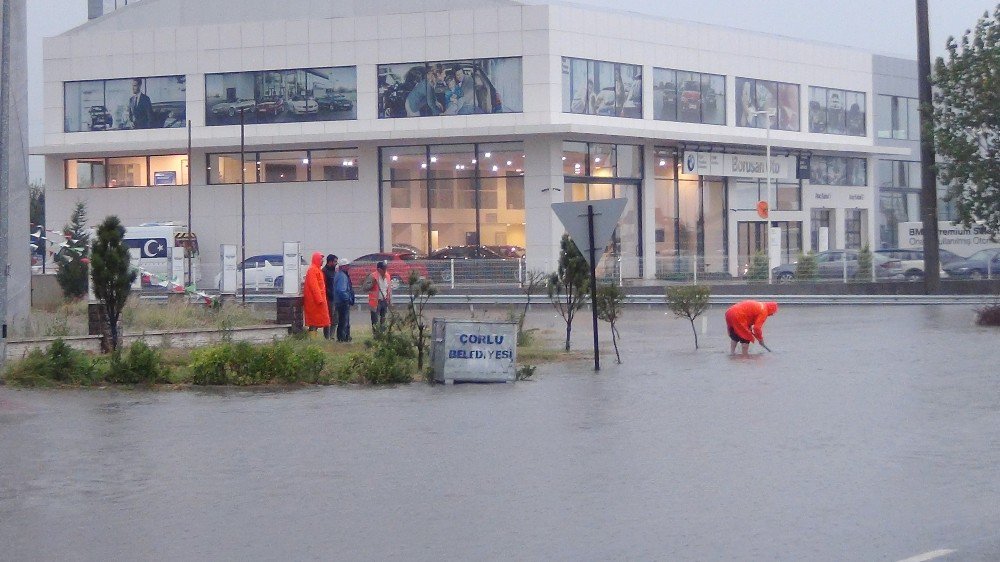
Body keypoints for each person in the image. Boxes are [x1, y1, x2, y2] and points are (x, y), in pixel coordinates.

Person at [303, 252, 331, 336]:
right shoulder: (312, 270)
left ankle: (313, 338)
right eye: (321, 259)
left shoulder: (316, 269)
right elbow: (314, 285)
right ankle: (312, 339)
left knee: (318, 321)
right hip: (315, 302)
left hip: (318, 301)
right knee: (314, 322)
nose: (322, 261)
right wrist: (319, 299)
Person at [363, 261, 392, 329]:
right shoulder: (372, 276)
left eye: (386, 269)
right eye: (384, 269)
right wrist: (372, 284)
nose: (385, 271)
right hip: (375, 302)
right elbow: (364, 288)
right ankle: (376, 335)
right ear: (379, 269)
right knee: (375, 321)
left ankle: (382, 335)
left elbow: (389, 289)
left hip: (384, 301)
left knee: (383, 320)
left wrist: (390, 300)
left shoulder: (388, 276)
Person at [333, 260, 355, 342]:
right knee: (344, 321)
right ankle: (343, 338)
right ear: (342, 267)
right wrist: (348, 299)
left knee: (342, 320)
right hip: (342, 302)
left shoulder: (339, 275)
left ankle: (343, 337)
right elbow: (341, 290)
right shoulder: (342, 276)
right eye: (346, 265)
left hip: (339, 301)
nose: (348, 267)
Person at [321, 254, 339, 339]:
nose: (336, 263)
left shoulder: (335, 272)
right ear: (330, 262)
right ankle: (327, 337)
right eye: (335, 261)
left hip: (335, 298)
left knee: (335, 319)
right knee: (328, 319)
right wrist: (329, 294)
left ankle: (332, 336)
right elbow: (323, 286)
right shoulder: (324, 271)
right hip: (328, 299)